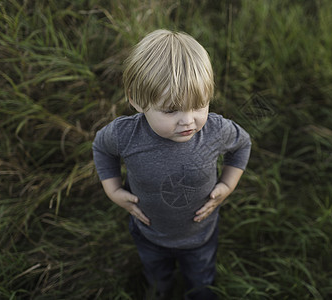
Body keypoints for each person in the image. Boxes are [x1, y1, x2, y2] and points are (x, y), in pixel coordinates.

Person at [92, 29, 251, 300]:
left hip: (200, 235)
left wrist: (228, 184)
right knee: (157, 279)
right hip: (148, 233)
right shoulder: (125, 135)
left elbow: (241, 145)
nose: (188, 120)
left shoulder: (215, 130)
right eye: (171, 110)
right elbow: (102, 148)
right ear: (137, 100)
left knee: (201, 283)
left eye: (199, 105)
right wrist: (113, 190)